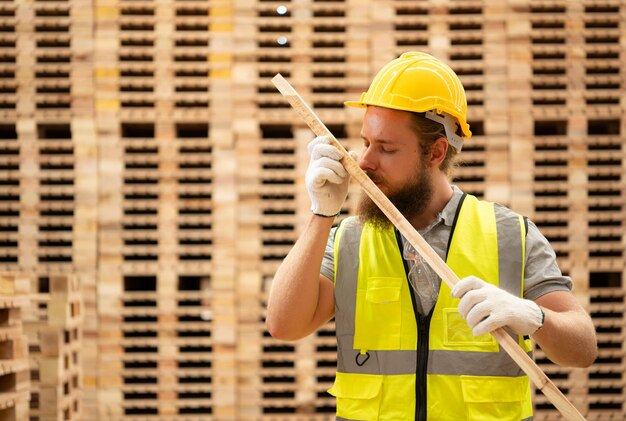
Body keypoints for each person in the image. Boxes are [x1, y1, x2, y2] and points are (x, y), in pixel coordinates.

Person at [266, 52, 597, 420]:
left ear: (436, 152)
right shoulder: (350, 239)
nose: (364, 161)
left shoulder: (509, 235)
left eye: (387, 148)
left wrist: (533, 316)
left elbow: (582, 348)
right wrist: (321, 214)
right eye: (366, 142)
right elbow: (283, 325)